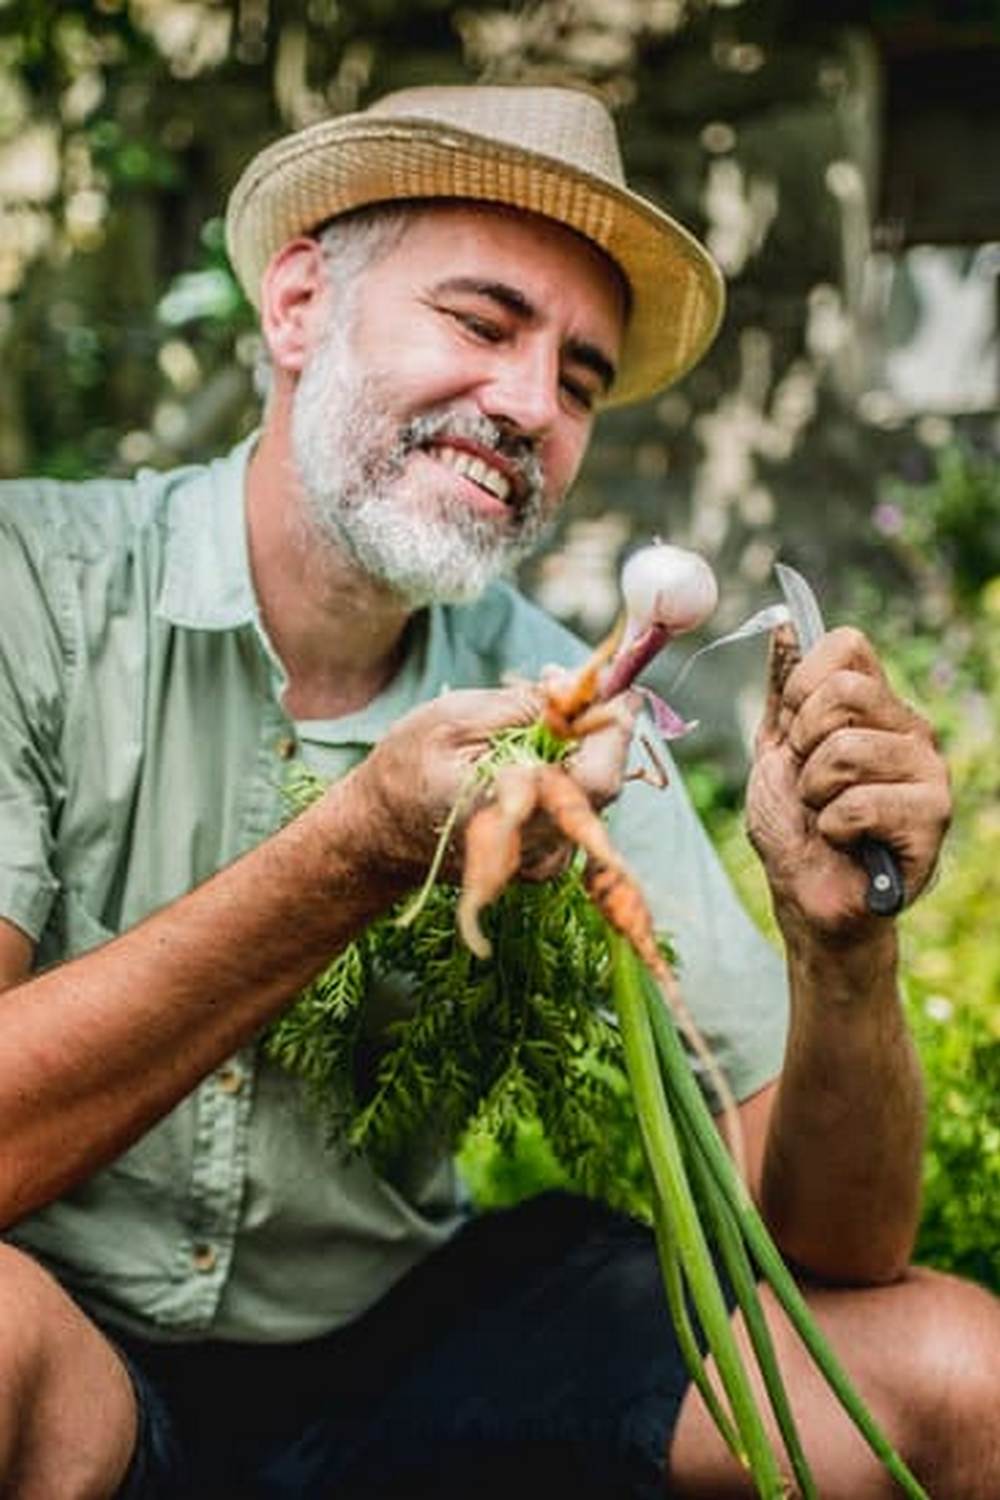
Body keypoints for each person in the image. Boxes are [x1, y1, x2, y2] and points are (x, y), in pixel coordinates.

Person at [0, 81, 996, 1500]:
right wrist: (360, 850)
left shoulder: (569, 713)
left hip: (405, 1352)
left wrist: (845, 950)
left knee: (961, 1375)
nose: (532, 405)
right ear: (298, 306)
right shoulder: (32, 590)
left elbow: (836, 1250)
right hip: (70, 1347)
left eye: (580, 380)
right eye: (481, 323)